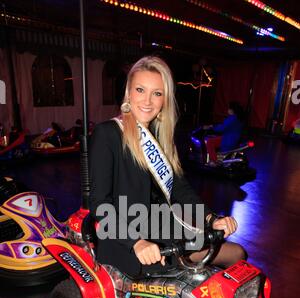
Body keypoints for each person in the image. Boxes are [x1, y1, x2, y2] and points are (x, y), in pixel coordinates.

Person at [89, 56, 246, 278]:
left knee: (237, 253)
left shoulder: (160, 137)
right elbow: (99, 204)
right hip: (126, 240)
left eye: (157, 93)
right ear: (128, 93)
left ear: (165, 100)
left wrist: (211, 218)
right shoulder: (108, 134)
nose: (147, 101)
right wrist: (137, 242)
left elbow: (179, 189)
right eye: (140, 90)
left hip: (162, 230)